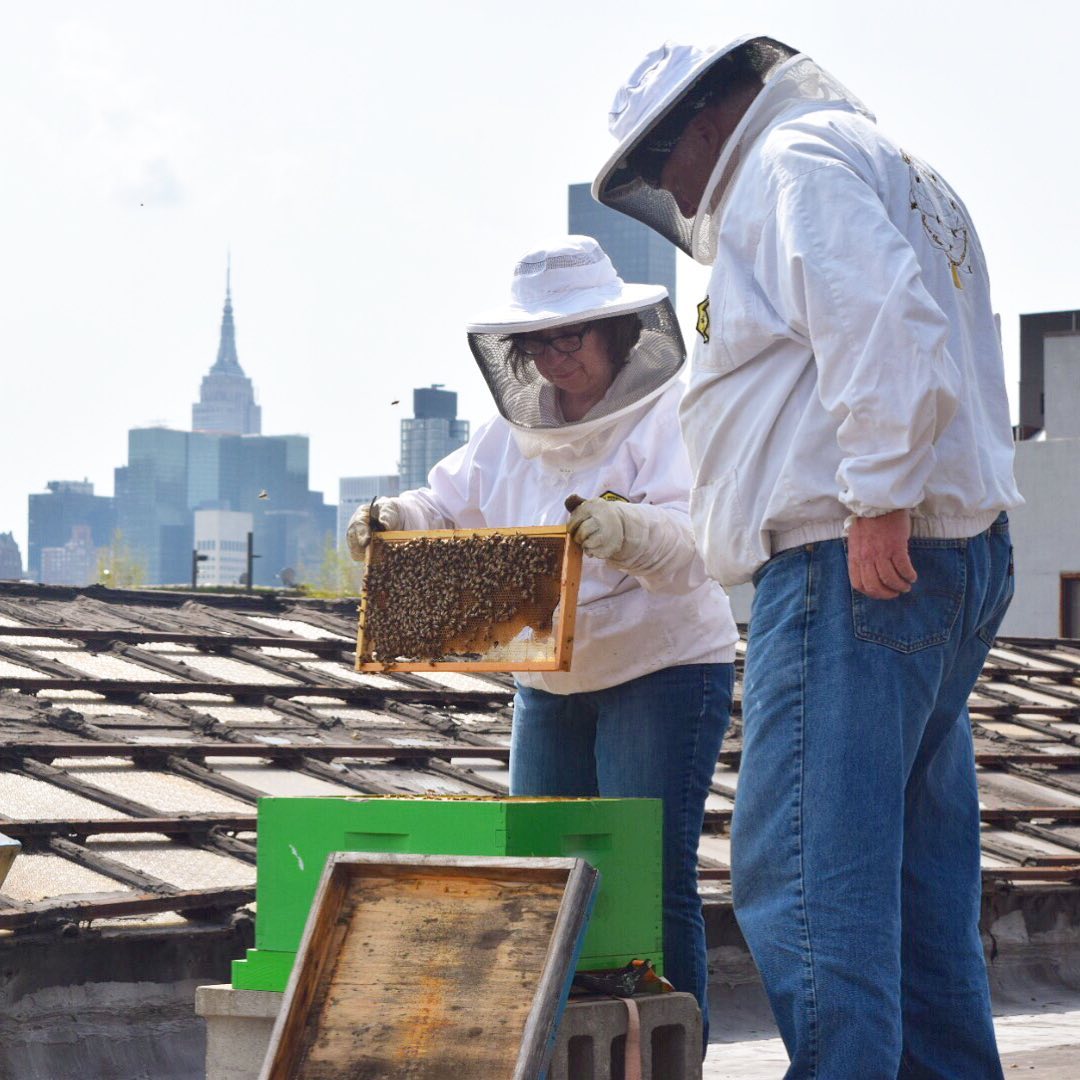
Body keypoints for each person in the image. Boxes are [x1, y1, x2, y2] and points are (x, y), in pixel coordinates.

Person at [592, 37, 1023, 1079]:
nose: (669, 190)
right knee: (917, 886)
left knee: (806, 874)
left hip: (852, 561)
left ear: (702, 119)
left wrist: (878, 493)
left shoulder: (790, 161)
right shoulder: (882, 162)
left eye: (659, 166)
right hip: (940, 561)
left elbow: (881, 317)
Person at [347, 236, 739, 1037]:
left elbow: (703, 541)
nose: (560, 357)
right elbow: (452, 504)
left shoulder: (672, 413)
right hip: (551, 677)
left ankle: (674, 1056)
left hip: (661, 667)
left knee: (649, 880)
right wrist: (397, 521)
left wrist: (629, 529)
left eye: (574, 336)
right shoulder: (511, 432)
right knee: (543, 875)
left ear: (614, 334)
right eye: (543, 342)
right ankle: (569, 1051)